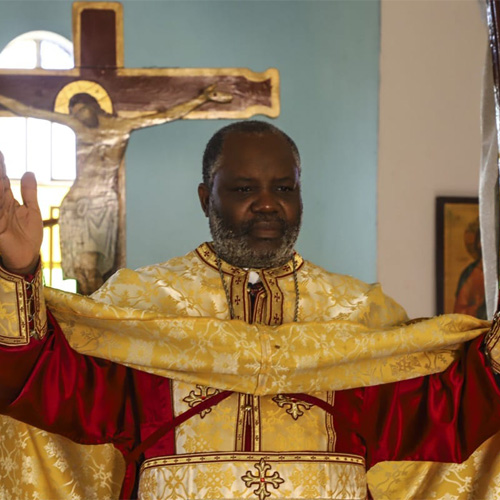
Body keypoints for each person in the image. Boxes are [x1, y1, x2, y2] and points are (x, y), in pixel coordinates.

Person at [0, 120, 499, 500]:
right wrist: (19, 270)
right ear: (205, 197)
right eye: (243, 188)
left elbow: (447, 414)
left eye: (284, 188)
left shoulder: (357, 311)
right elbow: (50, 390)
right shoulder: (143, 302)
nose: (267, 204)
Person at [0, 85, 232, 294]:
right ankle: (85, 324)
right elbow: (35, 112)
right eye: (74, 112)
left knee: (97, 272)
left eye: (81, 110)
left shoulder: (119, 126)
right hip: (76, 205)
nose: (78, 117)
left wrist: (200, 98)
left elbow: (162, 115)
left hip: (103, 206)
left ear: (95, 107)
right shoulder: (77, 126)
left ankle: (93, 322)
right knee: (82, 271)